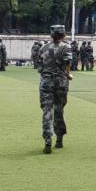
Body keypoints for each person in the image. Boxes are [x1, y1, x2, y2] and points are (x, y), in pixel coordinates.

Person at [37, 25, 73, 153]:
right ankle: (59, 139)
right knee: (59, 110)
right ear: (63, 34)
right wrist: (68, 74)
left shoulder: (43, 48)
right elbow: (68, 62)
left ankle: (47, 140)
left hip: (46, 83)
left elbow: (39, 67)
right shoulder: (66, 47)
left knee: (47, 111)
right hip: (60, 83)